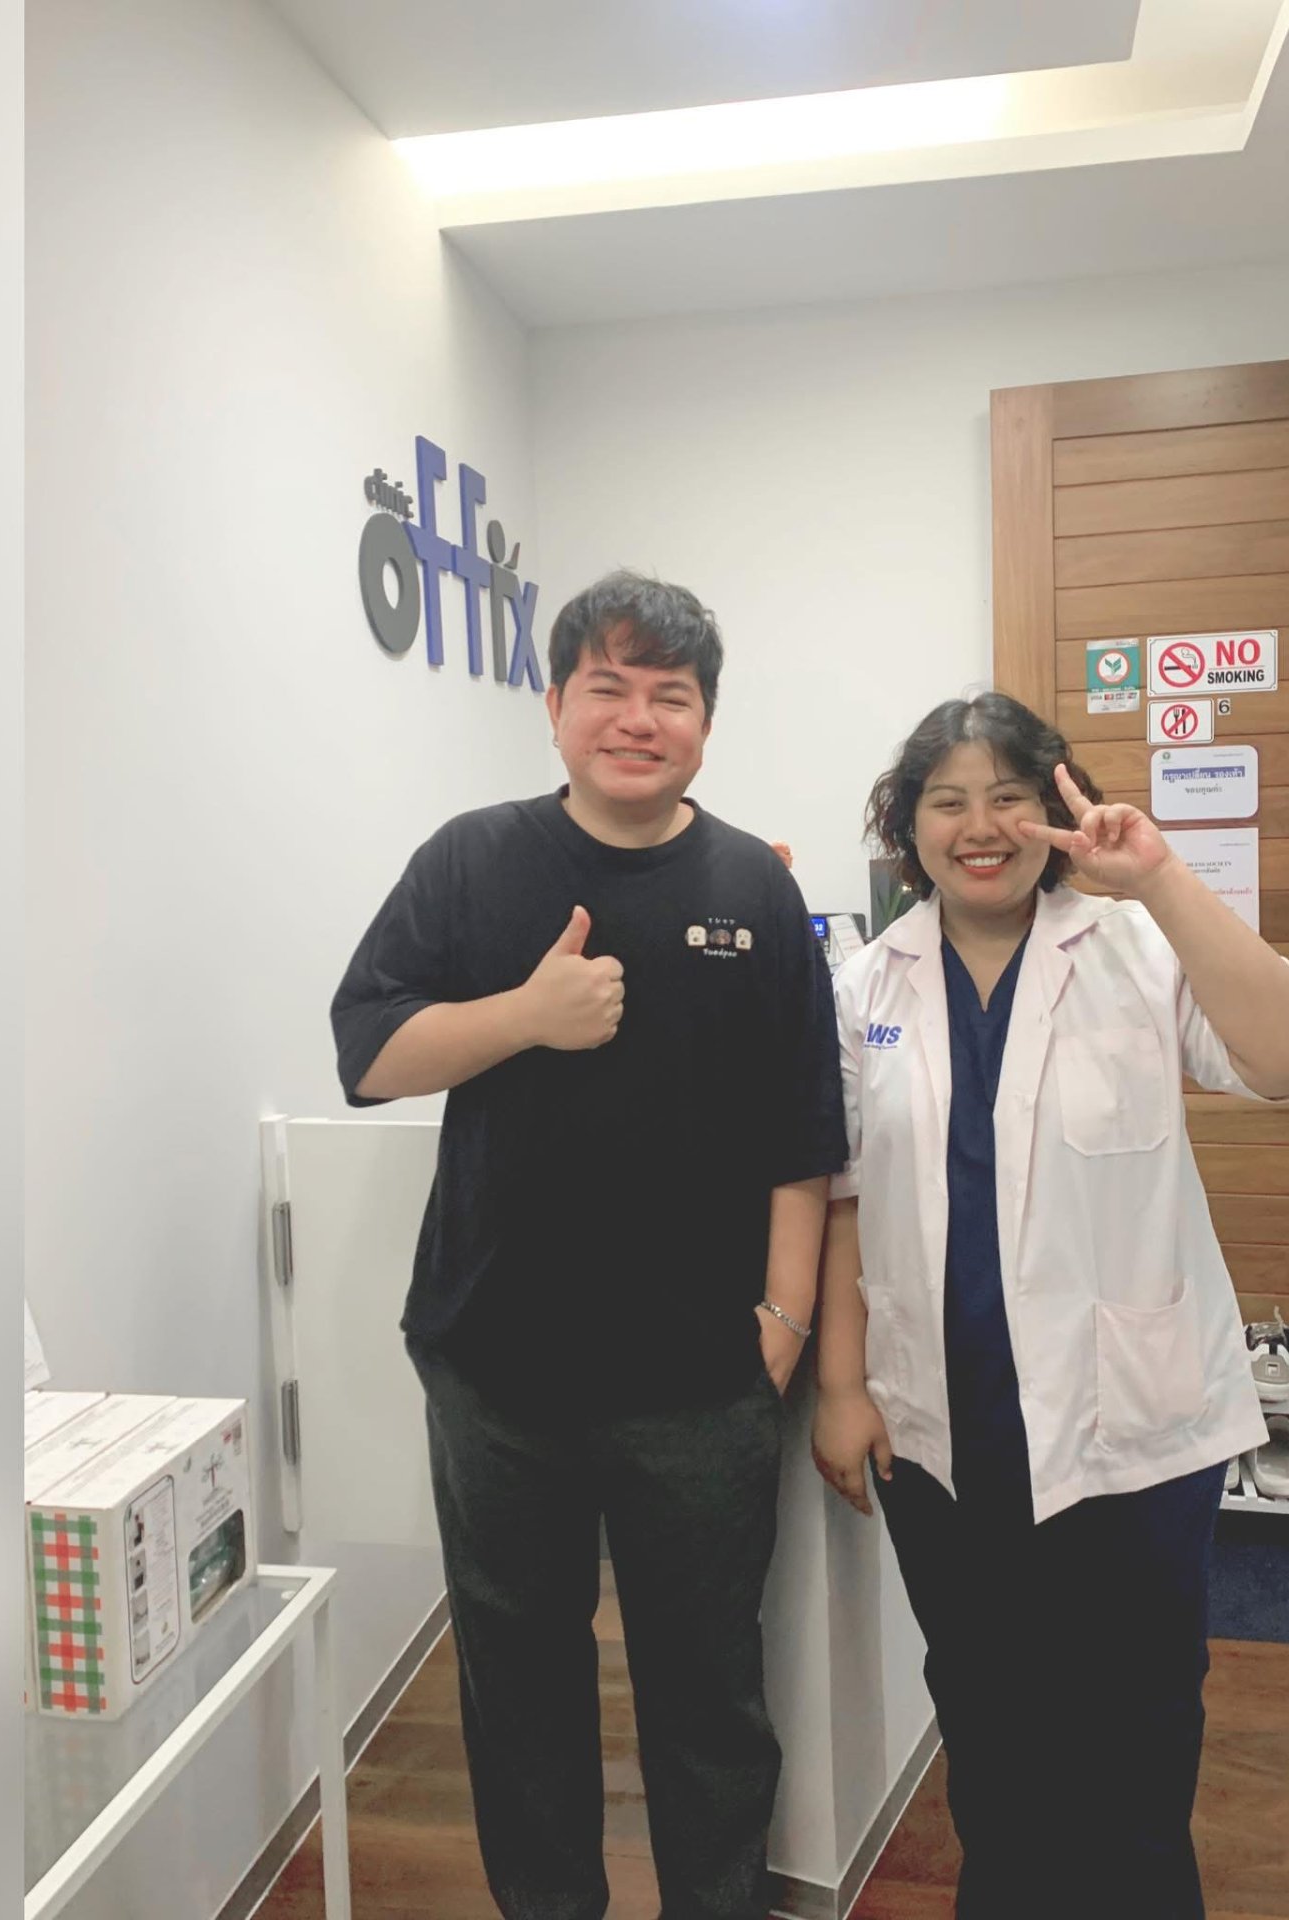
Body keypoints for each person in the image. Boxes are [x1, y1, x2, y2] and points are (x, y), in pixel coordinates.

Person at [331, 571, 846, 1920]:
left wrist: (784, 1324)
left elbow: (804, 1130)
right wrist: (525, 1015)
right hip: (498, 1372)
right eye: (606, 688)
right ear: (555, 704)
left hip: (702, 1383)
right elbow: (368, 1054)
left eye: (669, 694)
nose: (636, 718)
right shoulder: (470, 861)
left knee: (710, 1692)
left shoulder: (754, 886)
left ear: (705, 722)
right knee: (518, 1686)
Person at [809, 692, 1289, 1917]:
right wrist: (839, 1385)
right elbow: (842, 1194)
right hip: (944, 1426)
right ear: (908, 826)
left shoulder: (1136, 944)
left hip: (1131, 1429)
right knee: (986, 1717)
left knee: (1137, 1728)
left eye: (1008, 796)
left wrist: (1161, 881)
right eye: (948, 801)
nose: (980, 827)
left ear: (1057, 808)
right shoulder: (864, 985)